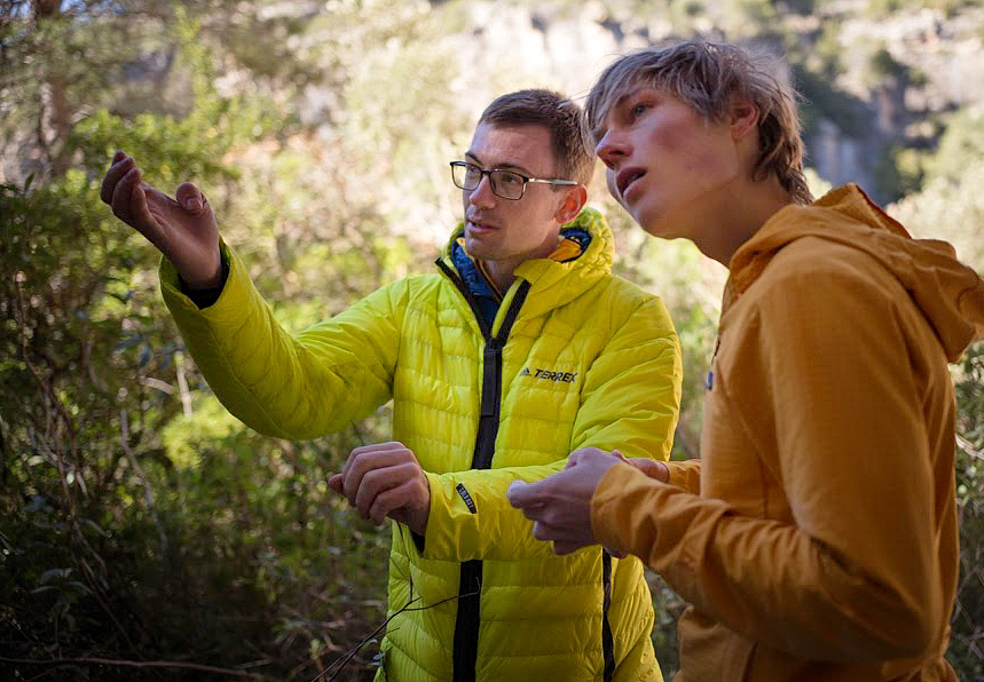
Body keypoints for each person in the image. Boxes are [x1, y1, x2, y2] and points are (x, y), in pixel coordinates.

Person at [100, 88, 682, 682]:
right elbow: (292, 395)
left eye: (509, 179)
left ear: (568, 204)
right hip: (415, 667)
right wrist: (210, 277)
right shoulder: (412, 305)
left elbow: (605, 494)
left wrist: (437, 503)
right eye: (473, 170)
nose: (477, 197)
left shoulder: (631, 320)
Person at [507, 41, 984, 682]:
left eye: (640, 111)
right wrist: (669, 486)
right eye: (602, 134)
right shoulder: (779, 279)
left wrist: (625, 508)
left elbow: (878, 603)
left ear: (742, 116)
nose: (607, 149)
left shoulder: (813, 283)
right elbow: (796, 504)